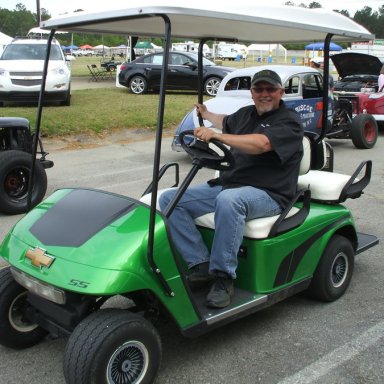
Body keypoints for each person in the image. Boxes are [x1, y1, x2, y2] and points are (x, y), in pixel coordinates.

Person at [159, 69, 304, 309]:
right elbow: (225, 121)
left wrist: (218, 137)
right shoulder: (246, 114)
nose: (264, 94)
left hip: (270, 194)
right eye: (259, 89)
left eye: (270, 89)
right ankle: (199, 263)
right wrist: (206, 114)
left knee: (229, 200)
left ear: (281, 92)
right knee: (170, 200)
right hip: (231, 184)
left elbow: (262, 144)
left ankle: (223, 277)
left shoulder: (289, 120)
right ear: (252, 93)